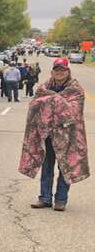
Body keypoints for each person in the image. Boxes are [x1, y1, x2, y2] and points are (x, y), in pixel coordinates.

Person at [20, 57, 89, 211]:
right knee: (47, 167)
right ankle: (44, 198)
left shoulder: (76, 90)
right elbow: (35, 106)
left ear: (68, 71)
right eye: (56, 69)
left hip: (68, 136)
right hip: (47, 135)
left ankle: (61, 200)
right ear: (52, 71)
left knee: (66, 168)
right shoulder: (43, 87)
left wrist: (51, 101)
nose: (59, 72)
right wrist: (53, 102)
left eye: (62, 69)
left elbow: (73, 113)